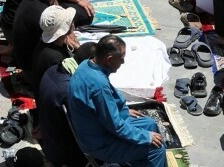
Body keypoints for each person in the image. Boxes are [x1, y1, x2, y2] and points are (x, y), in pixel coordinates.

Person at [66, 36, 166, 167]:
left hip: (95, 127)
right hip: (101, 142)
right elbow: (116, 127)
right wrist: (146, 137)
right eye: (121, 58)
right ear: (110, 60)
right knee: (157, 149)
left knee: (149, 124)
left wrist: (121, 110)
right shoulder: (99, 86)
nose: (123, 62)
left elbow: (104, 108)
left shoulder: (86, 65)